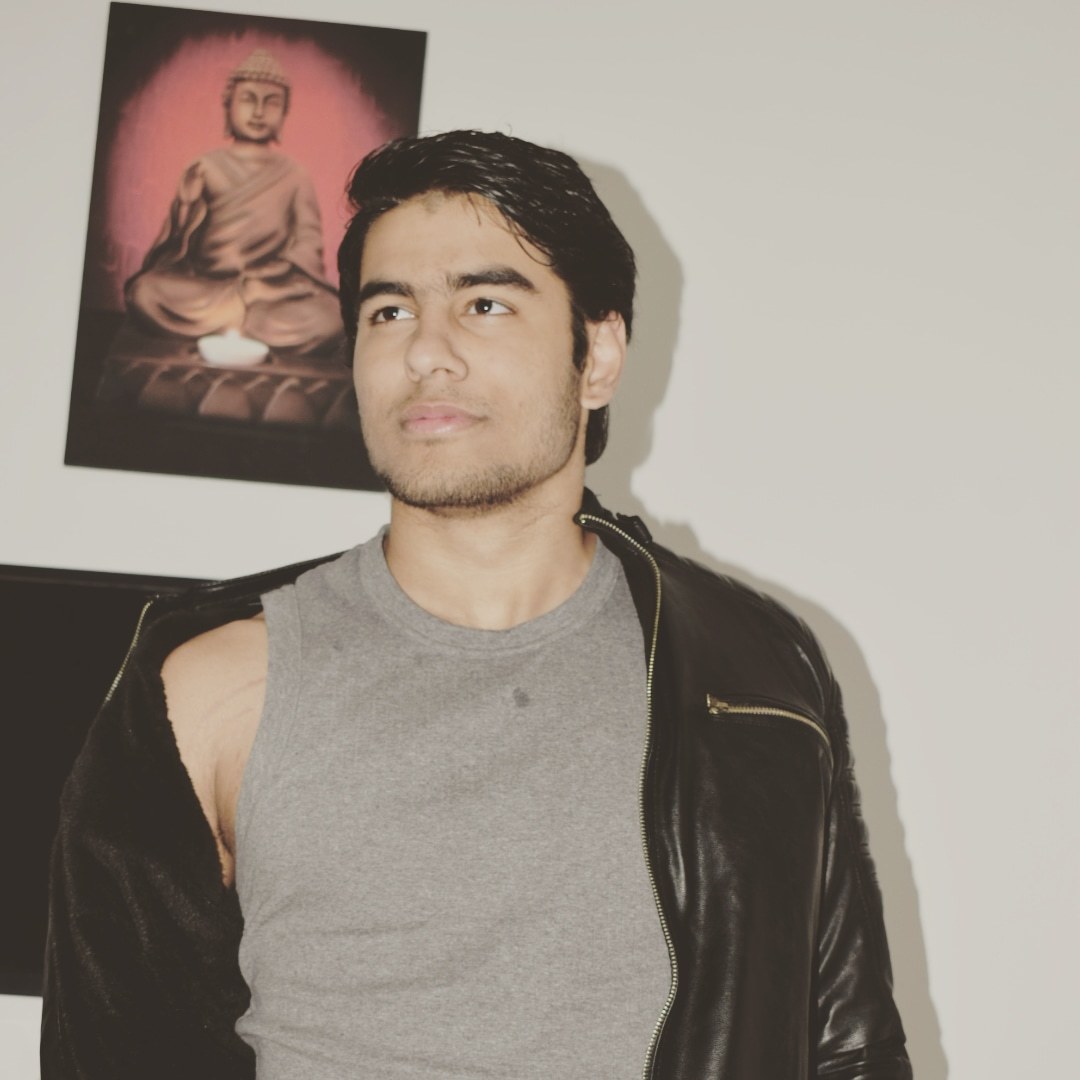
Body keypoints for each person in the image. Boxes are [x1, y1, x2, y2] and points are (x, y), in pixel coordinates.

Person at [42, 131, 912, 1079]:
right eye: (388, 311)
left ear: (598, 356)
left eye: (484, 303)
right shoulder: (209, 687)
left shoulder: (752, 673)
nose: (427, 352)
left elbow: (851, 1047)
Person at [123, 48, 344, 356]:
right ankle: (244, 319)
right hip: (208, 287)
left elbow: (308, 245)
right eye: (248, 99)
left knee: (333, 317)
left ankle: (228, 320)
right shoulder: (205, 167)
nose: (258, 112)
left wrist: (270, 279)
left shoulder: (295, 176)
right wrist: (186, 206)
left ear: (284, 112)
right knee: (144, 293)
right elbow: (176, 246)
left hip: (269, 291)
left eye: (271, 102)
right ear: (228, 105)